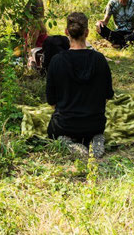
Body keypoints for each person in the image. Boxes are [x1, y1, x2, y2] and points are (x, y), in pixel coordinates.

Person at [46, 12, 114, 158]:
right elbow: (108, 95)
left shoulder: (56, 61)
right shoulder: (100, 59)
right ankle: (95, 137)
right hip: (95, 123)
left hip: (65, 125)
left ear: (66, 32)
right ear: (87, 32)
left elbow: (51, 101)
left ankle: (68, 143)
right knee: (94, 128)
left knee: (52, 130)